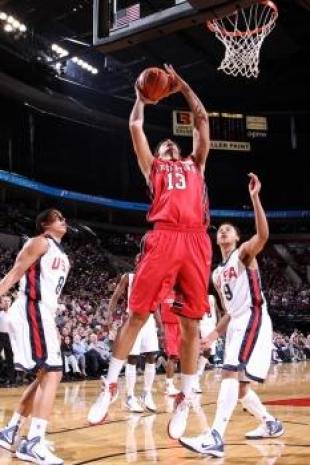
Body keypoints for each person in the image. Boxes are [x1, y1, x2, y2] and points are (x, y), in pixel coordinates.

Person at [88, 64, 212, 440]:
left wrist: (183, 87)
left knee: (191, 325)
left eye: (173, 143)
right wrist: (141, 98)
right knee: (138, 313)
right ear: (158, 154)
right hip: (163, 237)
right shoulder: (153, 168)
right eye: (165, 145)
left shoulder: (196, 163)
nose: (170, 146)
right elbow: (135, 128)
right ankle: (110, 385)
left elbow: (203, 120)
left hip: (195, 238)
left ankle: (186, 397)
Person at [179, 174, 284, 457]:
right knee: (239, 389)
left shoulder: (243, 255)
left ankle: (214, 437)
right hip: (236, 321)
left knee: (229, 373)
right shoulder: (216, 274)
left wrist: (255, 198)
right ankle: (270, 423)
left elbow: (262, 236)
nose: (223, 232)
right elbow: (227, 311)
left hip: (254, 318)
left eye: (229, 230)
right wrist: (213, 333)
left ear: (237, 237)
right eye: (220, 230)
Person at [0, 209, 69, 465]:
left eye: (63, 217)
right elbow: (16, 272)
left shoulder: (61, 254)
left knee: (46, 374)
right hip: (31, 307)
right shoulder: (40, 241)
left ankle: (12, 430)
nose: (64, 220)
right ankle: (34, 442)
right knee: (53, 372)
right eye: (58, 217)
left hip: (44, 313)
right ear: (44, 224)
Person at [105, 267, 158, 413]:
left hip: (149, 319)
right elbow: (115, 297)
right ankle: (129, 396)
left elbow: (156, 302)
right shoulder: (128, 277)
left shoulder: (154, 276)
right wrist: (109, 316)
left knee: (152, 356)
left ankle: (146, 393)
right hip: (133, 318)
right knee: (132, 358)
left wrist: (160, 324)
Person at [193, 294, 219, 393]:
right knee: (201, 352)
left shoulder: (212, 297)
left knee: (208, 352)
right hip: (202, 325)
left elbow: (216, 310)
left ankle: (196, 378)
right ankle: (194, 380)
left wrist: (218, 326)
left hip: (211, 326)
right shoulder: (197, 296)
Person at [157, 291, 181, 397]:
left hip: (181, 325)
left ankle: (188, 384)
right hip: (168, 325)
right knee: (172, 355)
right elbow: (155, 308)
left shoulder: (180, 292)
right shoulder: (163, 291)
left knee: (179, 357)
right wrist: (160, 326)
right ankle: (169, 386)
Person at [0, 295, 15, 387]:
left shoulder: (15, 314)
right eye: (4, 301)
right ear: (1, 303)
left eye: (8, 301)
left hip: (10, 337)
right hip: (0, 335)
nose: (6, 302)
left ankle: (11, 380)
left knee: (10, 359)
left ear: (11, 302)